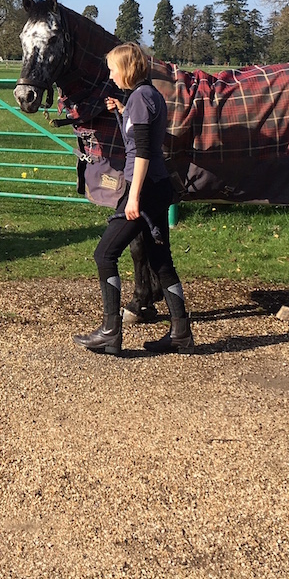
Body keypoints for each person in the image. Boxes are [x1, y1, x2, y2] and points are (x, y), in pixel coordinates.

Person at [73, 43, 195, 355]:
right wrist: (123, 111)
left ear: (127, 69)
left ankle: (111, 331)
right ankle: (181, 332)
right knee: (160, 260)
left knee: (105, 255)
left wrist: (133, 198)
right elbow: (144, 132)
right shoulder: (148, 95)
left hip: (142, 188)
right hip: (158, 185)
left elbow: (141, 152)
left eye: (114, 68)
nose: (111, 74)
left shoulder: (140, 98)